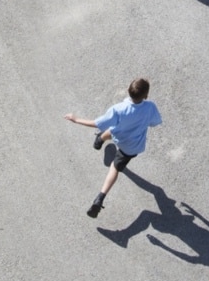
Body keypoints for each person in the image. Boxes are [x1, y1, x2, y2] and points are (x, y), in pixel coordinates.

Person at [64, 78, 163, 218]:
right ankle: (100, 198)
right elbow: (155, 122)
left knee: (113, 135)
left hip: (120, 137)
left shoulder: (119, 109)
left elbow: (97, 123)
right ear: (146, 95)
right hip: (132, 147)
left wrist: (76, 119)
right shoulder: (150, 107)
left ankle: (100, 140)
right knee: (116, 160)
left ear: (129, 91)